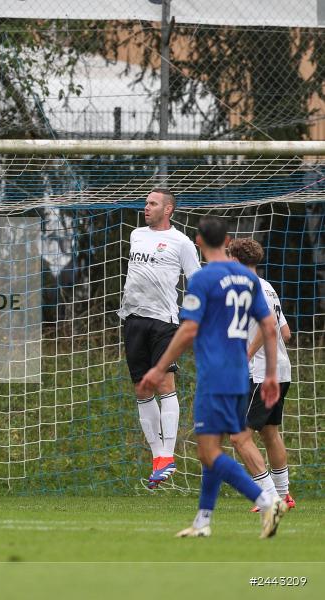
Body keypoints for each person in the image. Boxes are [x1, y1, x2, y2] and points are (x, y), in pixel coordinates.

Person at [138, 216, 287, 538]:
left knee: (207, 452)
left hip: (216, 375)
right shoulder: (247, 279)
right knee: (214, 448)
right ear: (227, 239)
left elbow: (189, 328)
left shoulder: (204, 279)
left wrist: (159, 367)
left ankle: (267, 500)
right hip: (239, 374)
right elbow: (270, 327)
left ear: (198, 241)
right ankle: (203, 522)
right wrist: (272, 374)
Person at [118, 189, 201, 487]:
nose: (146, 207)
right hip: (133, 319)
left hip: (164, 321)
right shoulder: (136, 235)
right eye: (145, 202)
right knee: (142, 389)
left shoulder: (182, 243)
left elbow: (198, 281)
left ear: (168, 210)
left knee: (165, 384)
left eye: (152, 203)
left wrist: (191, 315)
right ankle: (158, 458)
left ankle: (168, 455)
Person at [226, 238, 295, 511]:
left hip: (260, 373)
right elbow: (285, 333)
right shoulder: (268, 288)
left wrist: (245, 355)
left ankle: (269, 497)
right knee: (269, 433)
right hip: (282, 370)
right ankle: (284, 494)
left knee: (238, 437)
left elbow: (267, 330)